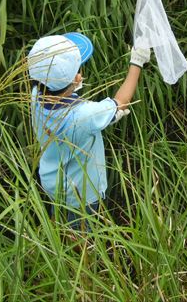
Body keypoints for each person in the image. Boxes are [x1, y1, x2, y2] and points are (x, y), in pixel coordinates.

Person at [27, 32, 150, 229]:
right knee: (83, 234)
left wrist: (71, 88)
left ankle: (57, 234)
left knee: (59, 216)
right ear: (77, 77)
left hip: (51, 181)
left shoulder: (35, 95)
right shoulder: (84, 116)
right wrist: (136, 63)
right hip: (82, 194)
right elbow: (122, 102)